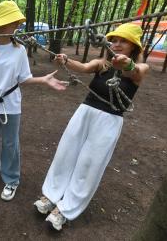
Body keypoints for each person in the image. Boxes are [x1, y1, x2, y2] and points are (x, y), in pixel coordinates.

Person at [33, 23, 150, 230]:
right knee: (65, 154)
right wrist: (66, 60)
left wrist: (127, 65)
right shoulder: (102, 63)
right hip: (85, 112)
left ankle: (66, 208)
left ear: (134, 46)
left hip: (109, 120)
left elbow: (137, 73)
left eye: (123, 41)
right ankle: (51, 194)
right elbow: (84, 67)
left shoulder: (141, 67)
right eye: (114, 40)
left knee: (89, 164)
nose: (117, 44)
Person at [0, 1, 68, 201]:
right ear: (1, 25)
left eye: (17, 21)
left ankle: (11, 179)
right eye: (12, 21)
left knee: (10, 143)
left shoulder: (19, 50)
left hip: (11, 105)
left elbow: (24, 77)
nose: (16, 25)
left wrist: (43, 80)